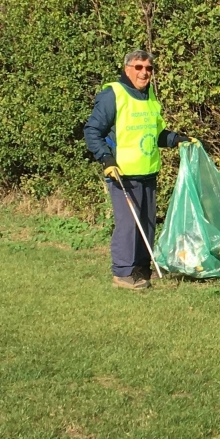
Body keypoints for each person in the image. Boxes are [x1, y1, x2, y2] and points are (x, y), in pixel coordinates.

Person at [84, 50, 190, 290]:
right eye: (139, 67)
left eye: (149, 68)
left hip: (147, 171)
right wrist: (106, 159)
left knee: (147, 223)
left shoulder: (150, 95)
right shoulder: (113, 94)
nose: (145, 72)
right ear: (127, 68)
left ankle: (141, 270)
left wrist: (177, 140)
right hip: (122, 173)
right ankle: (122, 274)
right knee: (129, 224)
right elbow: (92, 131)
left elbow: (155, 133)